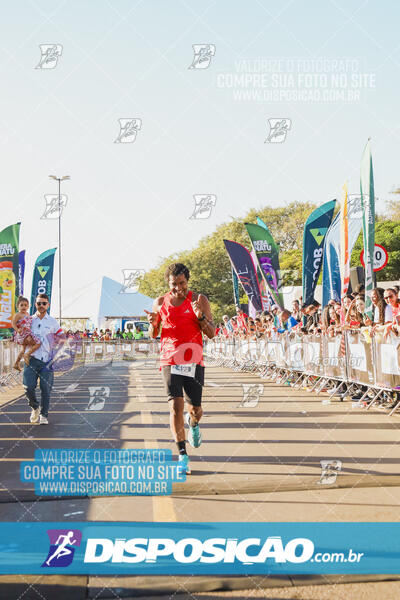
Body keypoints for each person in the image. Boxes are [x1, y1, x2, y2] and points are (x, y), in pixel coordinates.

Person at [145, 262, 215, 474]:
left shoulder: (199, 300)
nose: (178, 288)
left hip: (193, 359)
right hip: (169, 359)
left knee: (195, 410)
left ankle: (193, 424)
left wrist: (200, 317)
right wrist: (153, 322)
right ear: (168, 283)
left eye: (182, 283)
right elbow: (153, 334)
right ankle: (182, 456)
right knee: (175, 406)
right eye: (174, 284)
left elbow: (211, 332)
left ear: (188, 281)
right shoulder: (160, 302)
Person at [23, 293, 64, 425]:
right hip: (31, 359)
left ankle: (44, 415)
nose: (41, 306)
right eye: (39, 303)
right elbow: (20, 335)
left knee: (46, 389)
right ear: (35, 304)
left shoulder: (52, 321)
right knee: (28, 387)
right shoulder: (29, 320)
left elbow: (62, 337)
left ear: (48, 305)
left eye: (44, 303)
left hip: (47, 360)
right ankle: (35, 407)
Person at [12, 296, 41, 371]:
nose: (23, 307)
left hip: (28, 333)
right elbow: (13, 324)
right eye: (21, 305)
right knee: (37, 343)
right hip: (22, 333)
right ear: (18, 306)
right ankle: (27, 355)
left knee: (23, 349)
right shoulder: (18, 315)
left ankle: (16, 363)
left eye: (25, 305)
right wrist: (17, 329)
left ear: (28, 306)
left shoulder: (28, 314)